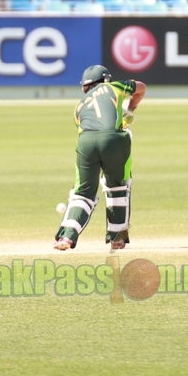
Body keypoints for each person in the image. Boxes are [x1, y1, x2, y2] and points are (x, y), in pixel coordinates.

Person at [54, 65, 146, 251]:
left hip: (86, 141)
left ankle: (66, 237)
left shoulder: (79, 107)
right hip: (114, 138)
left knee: (83, 192)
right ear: (106, 79)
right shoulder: (114, 87)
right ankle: (117, 238)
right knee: (118, 186)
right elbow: (141, 87)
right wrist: (130, 109)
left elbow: (90, 128)